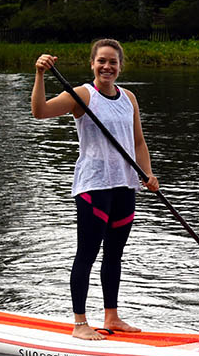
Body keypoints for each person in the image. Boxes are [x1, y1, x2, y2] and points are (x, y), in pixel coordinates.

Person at [30, 39, 159, 339]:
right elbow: (40, 111)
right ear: (92, 64)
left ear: (120, 66)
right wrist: (39, 75)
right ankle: (79, 323)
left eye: (113, 62)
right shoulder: (82, 95)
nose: (107, 67)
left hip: (125, 185)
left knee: (114, 254)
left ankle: (112, 317)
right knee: (86, 254)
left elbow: (138, 142)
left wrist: (148, 173)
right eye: (101, 61)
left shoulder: (129, 98)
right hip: (94, 186)